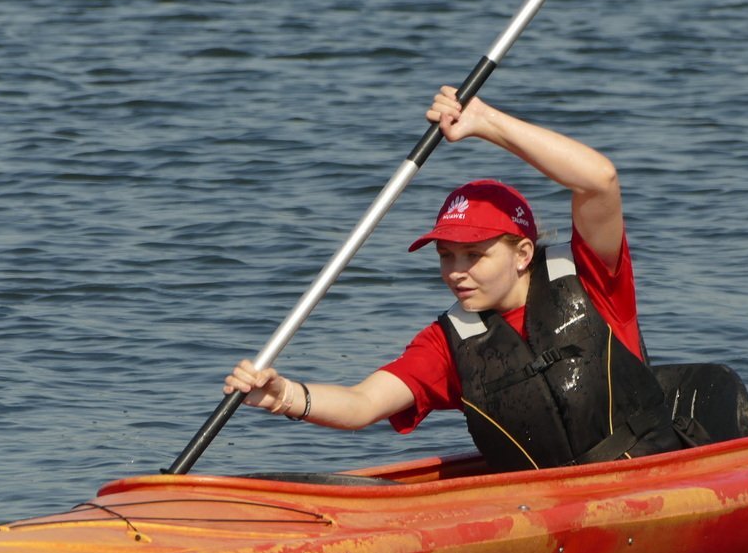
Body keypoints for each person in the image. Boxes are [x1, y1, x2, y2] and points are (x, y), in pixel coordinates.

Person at [224, 86, 695, 472]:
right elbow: (363, 402)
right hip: (549, 505)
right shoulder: (450, 343)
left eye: (474, 254)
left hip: (653, 477)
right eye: (446, 255)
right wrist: (285, 395)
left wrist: (485, 122)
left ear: (522, 253)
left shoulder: (596, 281)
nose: (455, 272)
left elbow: (599, 179)